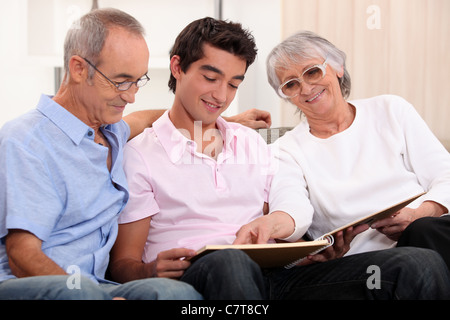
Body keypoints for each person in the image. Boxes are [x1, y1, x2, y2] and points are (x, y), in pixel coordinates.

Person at [109, 17, 450, 300]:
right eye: (211, 78)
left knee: (418, 264)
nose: (220, 95)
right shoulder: (141, 154)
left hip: (279, 278)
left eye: (233, 84)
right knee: (231, 262)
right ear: (177, 67)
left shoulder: (253, 144)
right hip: (206, 274)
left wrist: (288, 237)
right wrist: (150, 270)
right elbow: (123, 263)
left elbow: (292, 204)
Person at [0, 8, 205, 300]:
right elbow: (22, 255)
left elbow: (147, 118)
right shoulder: (26, 140)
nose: (131, 95)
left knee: (174, 294)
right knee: (80, 292)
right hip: (41, 285)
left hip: (97, 286)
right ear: (79, 68)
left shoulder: (113, 131)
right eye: (121, 81)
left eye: (137, 81)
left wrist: (224, 121)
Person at [264, 31, 450, 267]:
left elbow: (445, 175)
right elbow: (292, 210)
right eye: (291, 84)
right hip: (372, 263)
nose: (307, 88)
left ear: (338, 67)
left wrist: (419, 214)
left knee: (423, 230)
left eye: (312, 72)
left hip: (431, 231)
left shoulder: (391, 109)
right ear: (287, 96)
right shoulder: (284, 150)